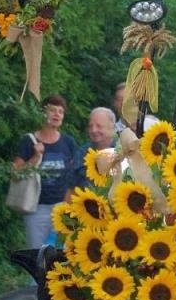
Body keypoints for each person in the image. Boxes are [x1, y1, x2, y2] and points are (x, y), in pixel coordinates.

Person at [14, 94, 80, 248]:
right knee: (37, 257)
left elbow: (74, 175)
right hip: (37, 208)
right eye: (52, 110)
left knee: (60, 257)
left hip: (62, 207)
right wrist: (35, 156)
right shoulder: (29, 141)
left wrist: (70, 205)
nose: (57, 114)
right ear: (43, 113)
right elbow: (15, 174)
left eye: (61, 111)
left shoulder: (68, 142)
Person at [74, 106, 117, 190]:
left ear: (112, 128)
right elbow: (71, 187)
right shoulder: (82, 153)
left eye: (99, 126)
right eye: (90, 126)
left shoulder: (125, 152)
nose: (93, 130)